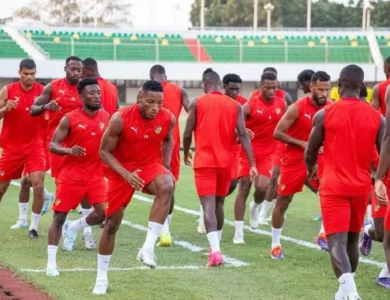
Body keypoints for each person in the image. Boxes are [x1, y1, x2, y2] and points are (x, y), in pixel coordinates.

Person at [306, 64, 384, 300]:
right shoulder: (377, 117)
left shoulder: (324, 114)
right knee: (352, 239)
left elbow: (310, 152)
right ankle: (343, 293)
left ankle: (352, 293)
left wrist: (311, 169)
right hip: (361, 187)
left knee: (336, 242)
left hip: (334, 187)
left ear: (339, 85)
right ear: (363, 86)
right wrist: (378, 179)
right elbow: (384, 153)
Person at [92, 80, 175, 295]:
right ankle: (101, 278)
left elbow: (168, 139)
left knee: (167, 184)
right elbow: (104, 152)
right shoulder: (120, 118)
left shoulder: (168, 118)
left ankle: (147, 248)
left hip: (148, 164)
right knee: (111, 224)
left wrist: (165, 165)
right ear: (140, 98)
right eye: (150, 102)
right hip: (121, 170)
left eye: (159, 102)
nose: (155, 107)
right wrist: (126, 175)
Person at [183, 69, 258, 265]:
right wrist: (253, 164)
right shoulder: (235, 105)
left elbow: (187, 131)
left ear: (204, 83)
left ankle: (215, 250)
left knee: (207, 206)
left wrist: (185, 151)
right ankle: (216, 246)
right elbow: (243, 135)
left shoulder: (197, 102)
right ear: (220, 85)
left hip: (205, 162)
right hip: (226, 164)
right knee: (219, 204)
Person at [46, 78, 109, 277]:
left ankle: (74, 227)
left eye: (98, 92)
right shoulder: (69, 118)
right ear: (81, 97)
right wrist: (68, 150)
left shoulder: (106, 117)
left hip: (96, 176)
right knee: (58, 218)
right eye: (91, 93)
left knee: (102, 214)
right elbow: (53, 145)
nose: (96, 96)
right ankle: (51, 264)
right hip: (71, 176)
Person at [271, 71, 332, 259]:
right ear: (311, 87)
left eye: (327, 90)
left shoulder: (331, 108)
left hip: (321, 159)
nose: (324, 93)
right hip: (294, 160)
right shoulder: (297, 108)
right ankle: (275, 244)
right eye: (320, 89)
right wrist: (302, 143)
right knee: (283, 201)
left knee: (328, 193)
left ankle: (323, 234)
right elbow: (278, 133)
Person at [233, 72, 286, 244]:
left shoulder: (282, 104)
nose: (271, 91)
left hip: (269, 153)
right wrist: (240, 131)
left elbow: (288, 125)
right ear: (260, 86)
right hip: (248, 152)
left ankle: (255, 207)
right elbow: (234, 124)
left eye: (274, 88)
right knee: (244, 186)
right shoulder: (250, 105)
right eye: (267, 88)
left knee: (263, 186)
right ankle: (239, 232)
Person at [0, 59, 47, 239]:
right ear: (19, 72)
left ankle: (33, 228)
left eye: (32, 73)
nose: (29, 77)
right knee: (2, 188)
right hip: (12, 148)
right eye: (26, 74)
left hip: (35, 148)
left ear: (36, 73)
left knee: (38, 185)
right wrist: (5, 108)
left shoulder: (42, 91)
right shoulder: (8, 90)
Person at [197, 73, 248, 234]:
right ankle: (206, 212)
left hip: (233, 151)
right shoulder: (213, 101)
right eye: (231, 89)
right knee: (216, 195)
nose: (234, 92)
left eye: (237, 90)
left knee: (233, 183)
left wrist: (244, 133)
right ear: (223, 87)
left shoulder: (241, 104)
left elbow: (244, 128)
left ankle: (210, 208)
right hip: (214, 151)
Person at [149, 64, 189, 247]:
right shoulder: (179, 90)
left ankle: (163, 230)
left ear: (151, 76)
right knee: (168, 185)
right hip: (171, 145)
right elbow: (193, 112)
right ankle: (166, 228)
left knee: (154, 186)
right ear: (166, 76)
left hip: (150, 142)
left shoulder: (146, 90)